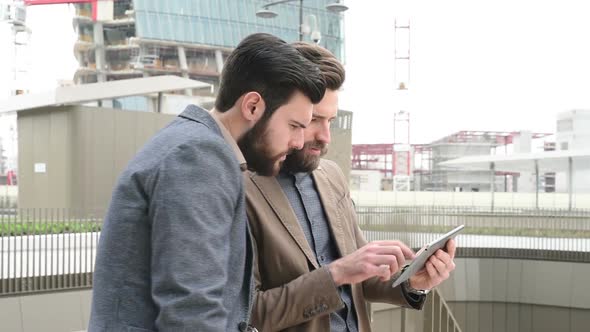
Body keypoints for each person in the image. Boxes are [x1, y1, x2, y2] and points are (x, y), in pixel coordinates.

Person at [89, 33, 326, 332]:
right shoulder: (199, 156)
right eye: (294, 126)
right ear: (252, 106)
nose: (298, 142)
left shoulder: (192, 146)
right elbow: (192, 310)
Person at [244, 42, 456, 331]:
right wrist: (335, 274)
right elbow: (249, 313)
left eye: (331, 120)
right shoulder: (240, 189)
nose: (325, 136)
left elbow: (360, 277)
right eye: (313, 120)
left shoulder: (331, 176)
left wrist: (413, 283)